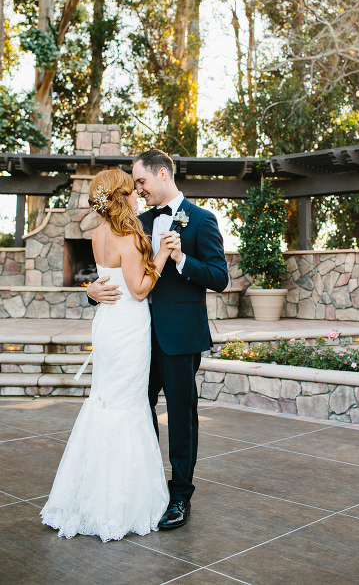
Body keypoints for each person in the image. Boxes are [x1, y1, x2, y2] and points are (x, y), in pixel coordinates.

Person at [86, 150, 229, 531]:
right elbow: (115, 272)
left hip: (180, 338)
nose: (138, 190)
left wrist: (182, 259)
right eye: (134, 185)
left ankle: (180, 495)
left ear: (162, 174)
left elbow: (219, 277)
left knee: (182, 418)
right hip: (136, 338)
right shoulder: (137, 221)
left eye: (142, 182)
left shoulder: (201, 220)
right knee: (138, 410)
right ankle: (144, 485)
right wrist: (91, 292)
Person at [41, 169, 175, 541]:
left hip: (107, 326)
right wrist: (162, 254)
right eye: (132, 190)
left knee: (104, 401)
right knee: (127, 405)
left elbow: (105, 281)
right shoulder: (130, 236)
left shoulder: (97, 234)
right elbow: (138, 290)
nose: (137, 194)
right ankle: (118, 504)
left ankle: (85, 496)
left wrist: (92, 290)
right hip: (129, 328)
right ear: (122, 196)